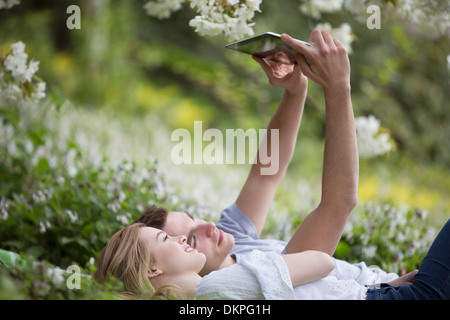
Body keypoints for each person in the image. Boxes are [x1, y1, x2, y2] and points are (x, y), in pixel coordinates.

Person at [134, 29, 400, 286]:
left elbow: (266, 174)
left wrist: (295, 90)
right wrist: (338, 87)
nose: (209, 225)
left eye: (194, 218)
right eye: (191, 240)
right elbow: (338, 204)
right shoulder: (267, 280)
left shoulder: (230, 243)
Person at [94, 219, 449, 299]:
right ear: (153, 269)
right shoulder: (218, 287)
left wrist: (386, 286)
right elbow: (322, 262)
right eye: (165, 238)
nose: (176, 237)